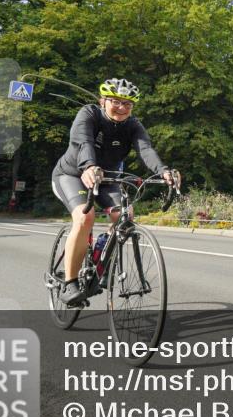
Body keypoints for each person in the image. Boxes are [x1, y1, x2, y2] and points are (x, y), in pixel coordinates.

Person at [51, 78, 179, 306]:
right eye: (116, 102)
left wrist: (163, 171)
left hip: (107, 178)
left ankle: (101, 254)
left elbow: (146, 149)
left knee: (125, 216)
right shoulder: (89, 114)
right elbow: (83, 143)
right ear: (103, 101)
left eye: (128, 104)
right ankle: (70, 282)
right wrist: (89, 166)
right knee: (84, 217)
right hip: (71, 175)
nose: (122, 107)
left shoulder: (133, 125)